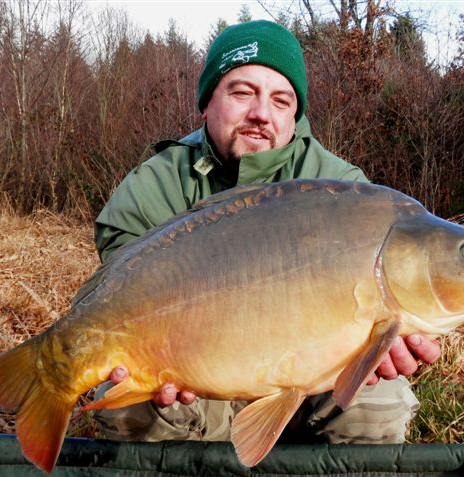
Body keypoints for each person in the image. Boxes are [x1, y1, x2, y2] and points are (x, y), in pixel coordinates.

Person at [93, 20, 440, 448]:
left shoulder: (344, 190)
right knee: (129, 401)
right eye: (242, 92)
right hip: (199, 378)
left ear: (295, 116)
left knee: (378, 397)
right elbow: (118, 302)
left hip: (311, 386)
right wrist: (159, 363)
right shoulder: (153, 187)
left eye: (281, 100)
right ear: (207, 103)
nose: (261, 113)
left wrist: (390, 342)